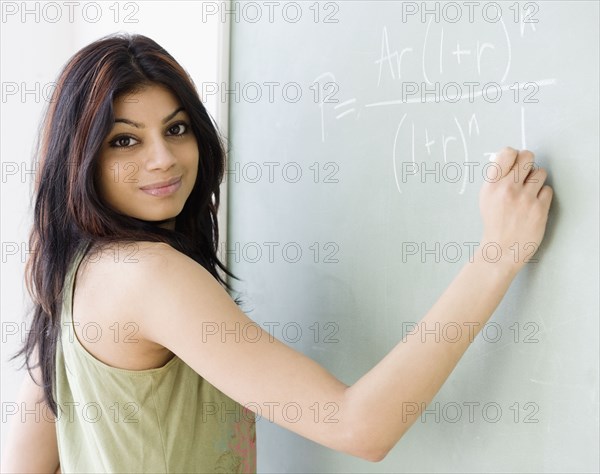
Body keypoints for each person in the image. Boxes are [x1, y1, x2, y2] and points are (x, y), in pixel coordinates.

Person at [1, 33, 553, 473]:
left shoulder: (65, 274)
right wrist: (498, 253)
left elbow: (26, 464)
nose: (163, 159)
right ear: (79, 159)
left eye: (177, 128)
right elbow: (359, 427)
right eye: (125, 139)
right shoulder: (148, 274)